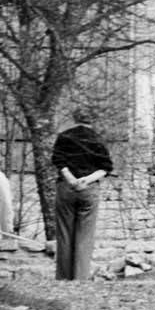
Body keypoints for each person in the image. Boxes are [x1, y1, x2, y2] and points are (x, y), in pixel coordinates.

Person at [51, 115, 116, 282]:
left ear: (74, 119)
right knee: (85, 236)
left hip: (66, 187)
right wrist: (86, 180)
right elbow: (105, 167)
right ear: (91, 121)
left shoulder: (64, 137)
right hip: (89, 188)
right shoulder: (97, 139)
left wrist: (72, 180)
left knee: (64, 234)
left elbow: (58, 161)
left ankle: (63, 279)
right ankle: (80, 279)